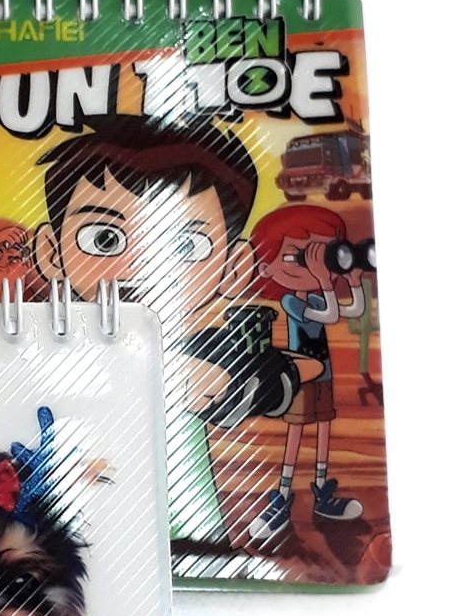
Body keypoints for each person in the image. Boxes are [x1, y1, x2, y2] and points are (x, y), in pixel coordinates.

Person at [31, 115, 258, 545]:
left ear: (235, 268)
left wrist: (219, 384)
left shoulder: (202, 346)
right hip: (73, 531)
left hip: (183, 527)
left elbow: (260, 380)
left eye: (184, 245)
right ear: (50, 252)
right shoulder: (53, 343)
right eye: (104, 239)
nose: (137, 268)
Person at [246, 204, 366, 541]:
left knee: (324, 428)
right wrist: (326, 281)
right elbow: (330, 316)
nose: (313, 265)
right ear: (265, 268)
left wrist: (353, 282)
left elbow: (353, 310)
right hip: (301, 375)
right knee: (296, 432)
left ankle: (322, 493)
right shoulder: (292, 302)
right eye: (295, 257)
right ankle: (282, 496)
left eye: (322, 253)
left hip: (323, 374)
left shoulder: (315, 298)